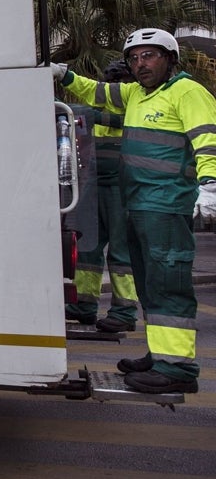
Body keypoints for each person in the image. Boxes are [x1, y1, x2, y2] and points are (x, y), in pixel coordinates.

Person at [53, 28, 216, 394]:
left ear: (170, 59)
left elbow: (208, 138)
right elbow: (98, 92)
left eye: (150, 55)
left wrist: (211, 185)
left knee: (167, 283)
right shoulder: (137, 95)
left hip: (166, 206)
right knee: (148, 283)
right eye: (135, 58)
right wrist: (63, 75)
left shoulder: (187, 92)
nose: (141, 64)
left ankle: (177, 368)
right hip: (139, 204)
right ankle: (161, 355)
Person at [64, 58, 139, 333]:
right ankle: (83, 305)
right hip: (93, 185)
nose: (116, 85)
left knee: (122, 252)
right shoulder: (94, 108)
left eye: (121, 80)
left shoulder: (137, 106)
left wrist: (97, 116)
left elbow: (124, 122)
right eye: (112, 80)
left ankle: (124, 310)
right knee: (87, 248)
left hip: (123, 187)